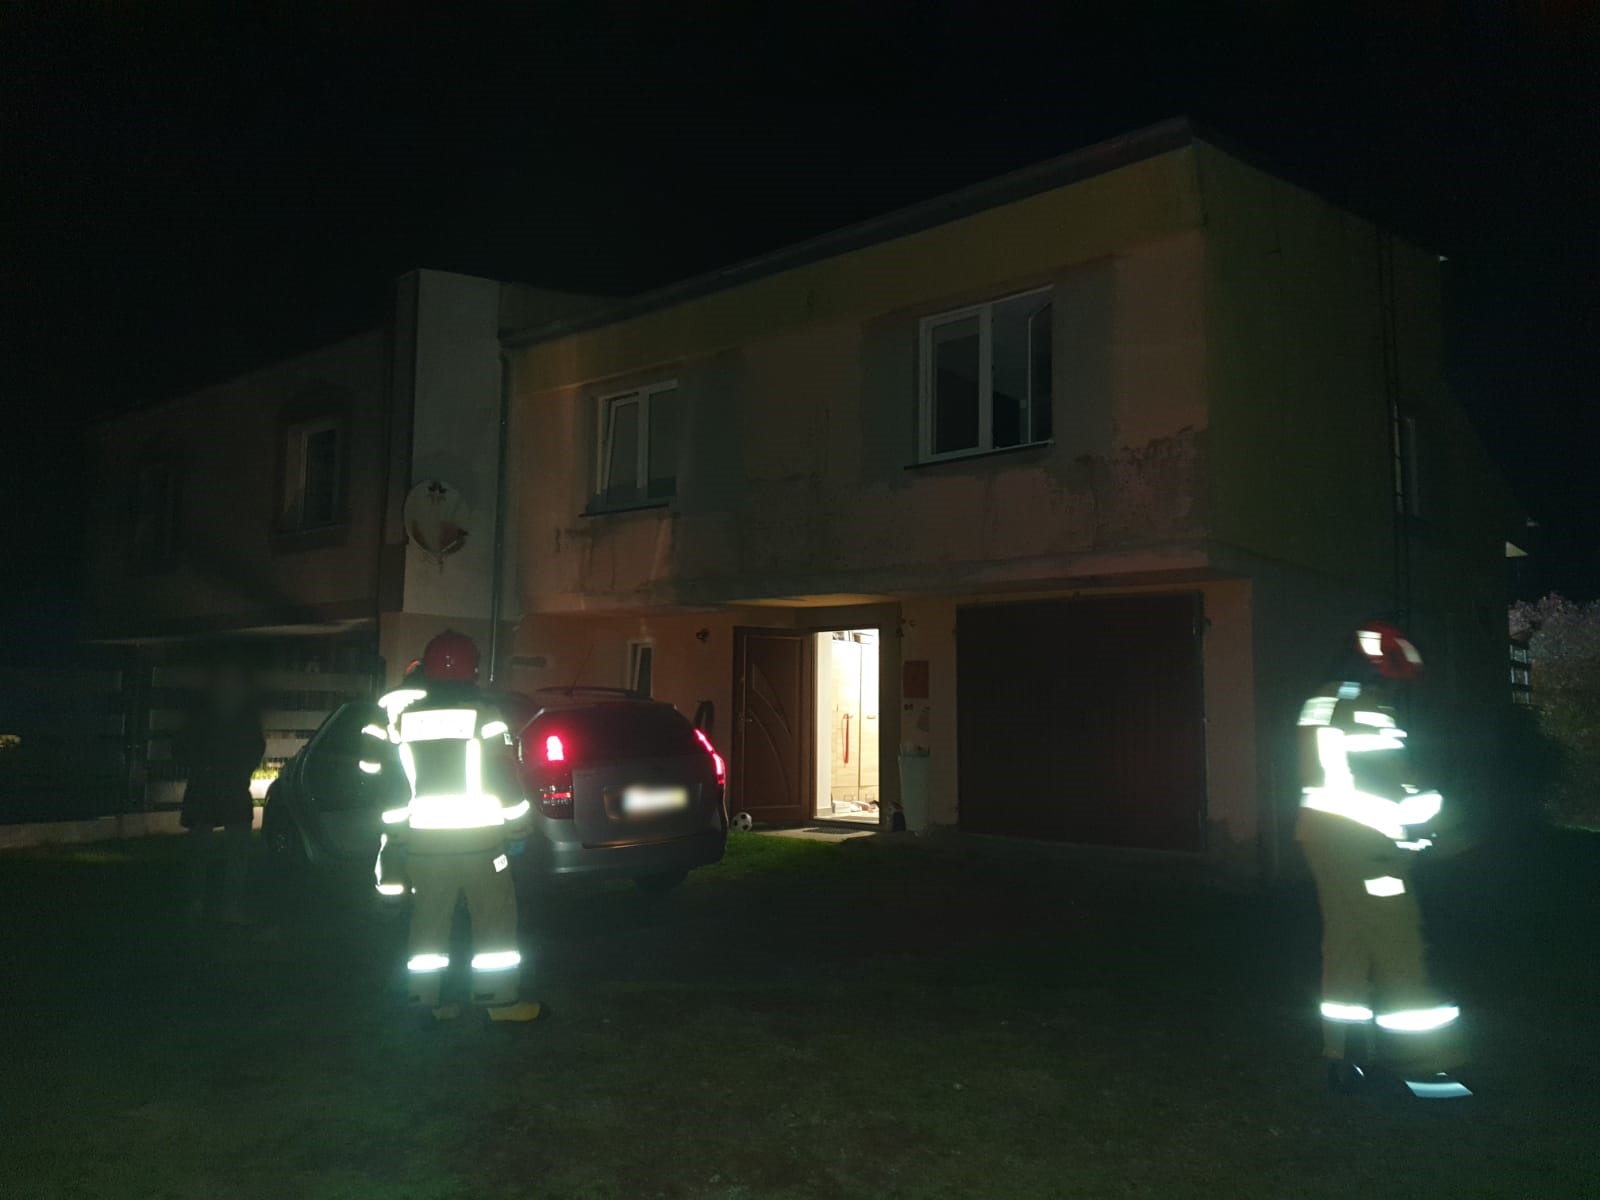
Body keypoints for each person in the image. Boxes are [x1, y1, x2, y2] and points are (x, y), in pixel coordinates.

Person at [1296, 620, 1469, 1098]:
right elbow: (1393, 784)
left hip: (1326, 841)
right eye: (1393, 680)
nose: (1395, 691)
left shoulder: (1321, 702)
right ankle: (1429, 1069)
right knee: (1400, 952)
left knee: (1346, 951)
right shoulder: (1365, 710)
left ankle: (1344, 1059)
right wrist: (1441, 826)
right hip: (1369, 849)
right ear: (1378, 668)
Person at [373, 631, 541, 1024]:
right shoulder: (484, 716)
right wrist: (519, 827)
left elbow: (393, 788)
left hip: (424, 847)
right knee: (494, 922)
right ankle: (498, 1001)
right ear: (473, 670)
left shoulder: (403, 721)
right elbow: (502, 776)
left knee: (428, 924)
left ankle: (424, 1001)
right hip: (481, 845)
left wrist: (397, 838)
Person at [179, 661, 265, 927]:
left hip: (215, 785)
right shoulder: (232, 713)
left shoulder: (209, 712)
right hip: (220, 785)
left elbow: (256, 746)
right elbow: (256, 746)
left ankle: (205, 904)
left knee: (211, 847)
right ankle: (214, 905)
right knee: (214, 848)